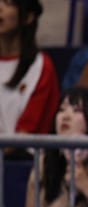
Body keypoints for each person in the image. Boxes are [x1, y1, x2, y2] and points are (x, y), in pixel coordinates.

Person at [0, 0, 59, 140]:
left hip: (23, 158)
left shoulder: (40, 67)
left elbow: (26, 134)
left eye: (8, 3)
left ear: (28, 17)